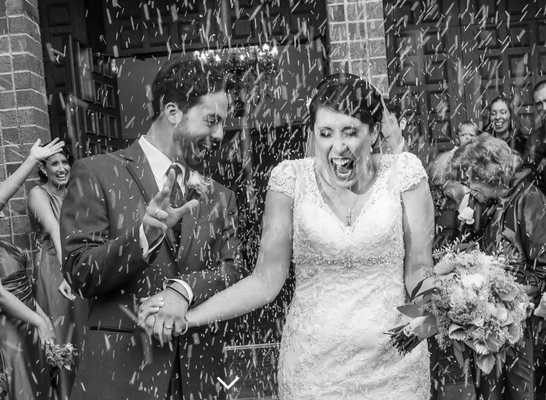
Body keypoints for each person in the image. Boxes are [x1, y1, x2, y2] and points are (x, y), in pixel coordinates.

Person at [140, 73, 435, 399]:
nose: (338, 147)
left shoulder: (405, 174)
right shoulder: (290, 181)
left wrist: (426, 322)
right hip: (314, 370)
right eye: (326, 133)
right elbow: (265, 281)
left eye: (350, 132)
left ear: (375, 131)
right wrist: (189, 316)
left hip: (396, 366)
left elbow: (420, 270)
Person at [60, 55, 248, 400]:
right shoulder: (96, 173)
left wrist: (184, 290)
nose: (220, 134)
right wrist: (142, 238)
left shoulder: (221, 195)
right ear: (173, 112)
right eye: (212, 120)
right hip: (121, 375)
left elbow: (234, 269)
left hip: (201, 375)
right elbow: (79, 272)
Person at [450, 133, 546, 400]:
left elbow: (543, 270)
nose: (468, 187)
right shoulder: (491, 206)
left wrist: (504, 298)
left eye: (471, 177)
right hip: (489, 327)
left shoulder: (530, 199)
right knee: (488, 394)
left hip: (521, 327)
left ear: (489, 172)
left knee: (520, 394)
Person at [0, 138, 65, 400]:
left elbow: (22, 290)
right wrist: (39, 320)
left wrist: (43, 318)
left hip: (28, 326)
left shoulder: (4, 245)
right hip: (8, 334)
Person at [28, 145, 87, 400]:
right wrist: (68, 273)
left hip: (76, 266)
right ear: (43, 168)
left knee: (82, 332)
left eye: (65, 162)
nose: (62, 168)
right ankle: (64, 394)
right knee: (62, 336)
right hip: (55, 270)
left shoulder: (76, 193)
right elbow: (54, 230)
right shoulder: (37, 194)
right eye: (54, 164)